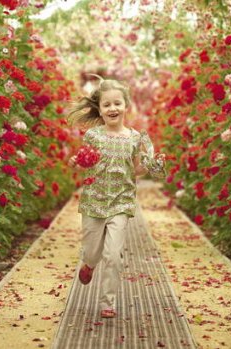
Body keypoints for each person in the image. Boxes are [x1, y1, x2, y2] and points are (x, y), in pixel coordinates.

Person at [67, 77, 166, 319]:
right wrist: (76, 162)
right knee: (92, 251)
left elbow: (136, 169)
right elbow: (85, 159)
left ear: (126, 105)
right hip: (94, 201)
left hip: (121, 201)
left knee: (113, 254)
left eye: (117, 104)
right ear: (99, 110)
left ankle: (108, 302)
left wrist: (151, 164)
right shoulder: (93, 136)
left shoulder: (134, 138)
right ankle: (89, 265)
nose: (113, 109)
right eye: (107, 105)